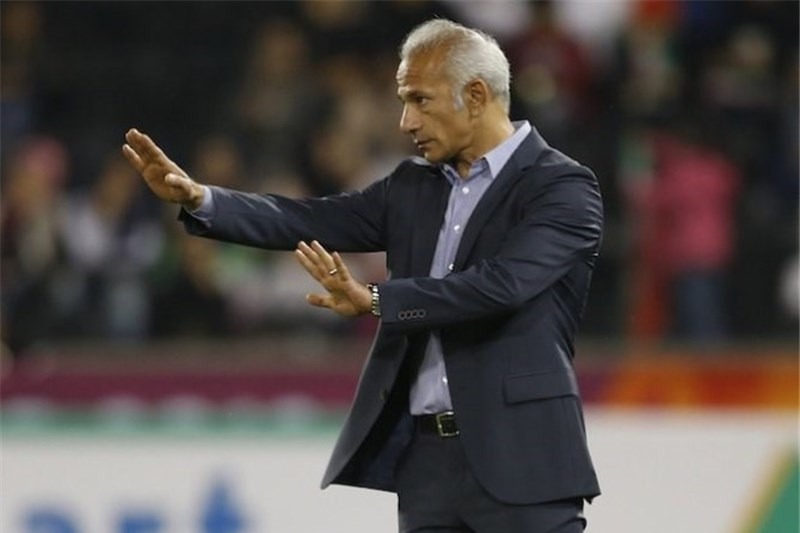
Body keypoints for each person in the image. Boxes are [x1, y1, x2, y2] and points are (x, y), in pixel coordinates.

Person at [123, 18, 603, 533]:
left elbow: (501, 286)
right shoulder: (411, 186)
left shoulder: (561, 187)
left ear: (476, 95)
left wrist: (377, 299)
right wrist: (202, 199)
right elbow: (310, 219)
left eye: (420, 100)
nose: (405, 121)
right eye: (403, 101)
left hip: (524, 461)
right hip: (427, 470)